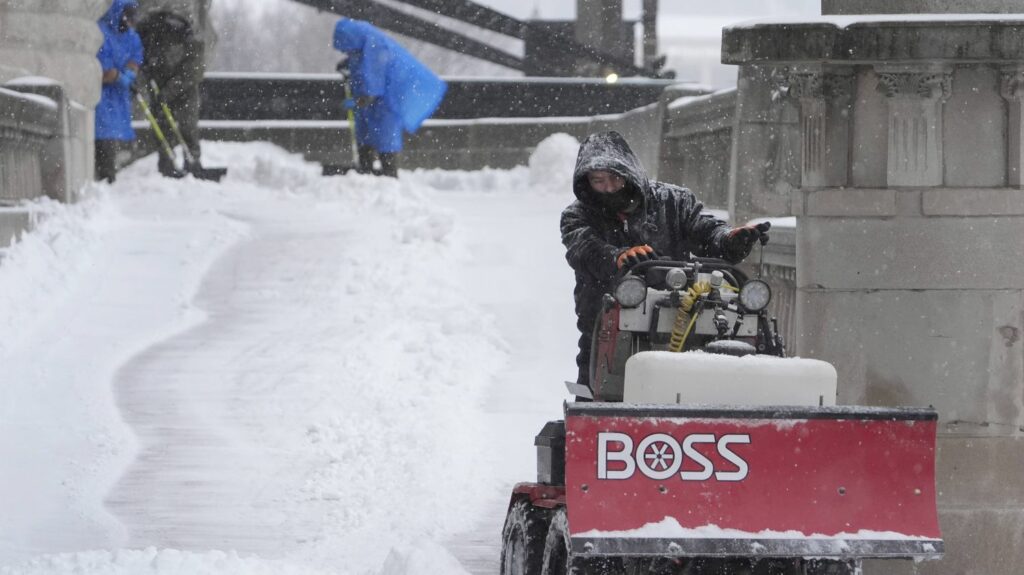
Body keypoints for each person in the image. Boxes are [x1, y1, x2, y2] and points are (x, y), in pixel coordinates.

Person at [561, 131, 771, 387]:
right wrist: (616, 258)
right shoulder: (576, 215)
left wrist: (729, 240)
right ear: (587, 182)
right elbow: (583, 248)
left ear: (629, 172)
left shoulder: (674, 201)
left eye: (615, 178)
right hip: (604, 324)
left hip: (680, 315)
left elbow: (706, 230)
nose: (608, 188)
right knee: (597, 387)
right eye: (599, 181)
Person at [332, 18, 447, 178]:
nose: (347, 53)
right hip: (373, 106)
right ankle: (366, 174)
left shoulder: (375, 47)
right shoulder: (362, 42)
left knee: (385, 141)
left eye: (347, 50)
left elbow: (372, 87)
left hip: (386, 104)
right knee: (365, 137)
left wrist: (356, 102)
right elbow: (360, 63)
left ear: (351, 40)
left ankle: (389, 178)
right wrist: (348, 63)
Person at [136, 9, 207, 177]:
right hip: (159, 88)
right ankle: (167, 164)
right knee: (162, 127)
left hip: (183, 91)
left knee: (187, 126)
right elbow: (143, 57)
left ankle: (192, 163)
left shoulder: (189, 37)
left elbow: (193, 71)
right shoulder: (152, 30)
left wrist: (170, 90)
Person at [94, 0, 143, 183]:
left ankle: (109, 174)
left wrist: (128, 74)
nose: (129, 22)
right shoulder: (101, 32)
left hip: (119, 98)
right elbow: (103, 70)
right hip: (102, 97)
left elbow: (135, 59)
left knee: (114, 135)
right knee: (103, 135)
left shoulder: (132, 37)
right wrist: (116, 76)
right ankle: (105, 176)